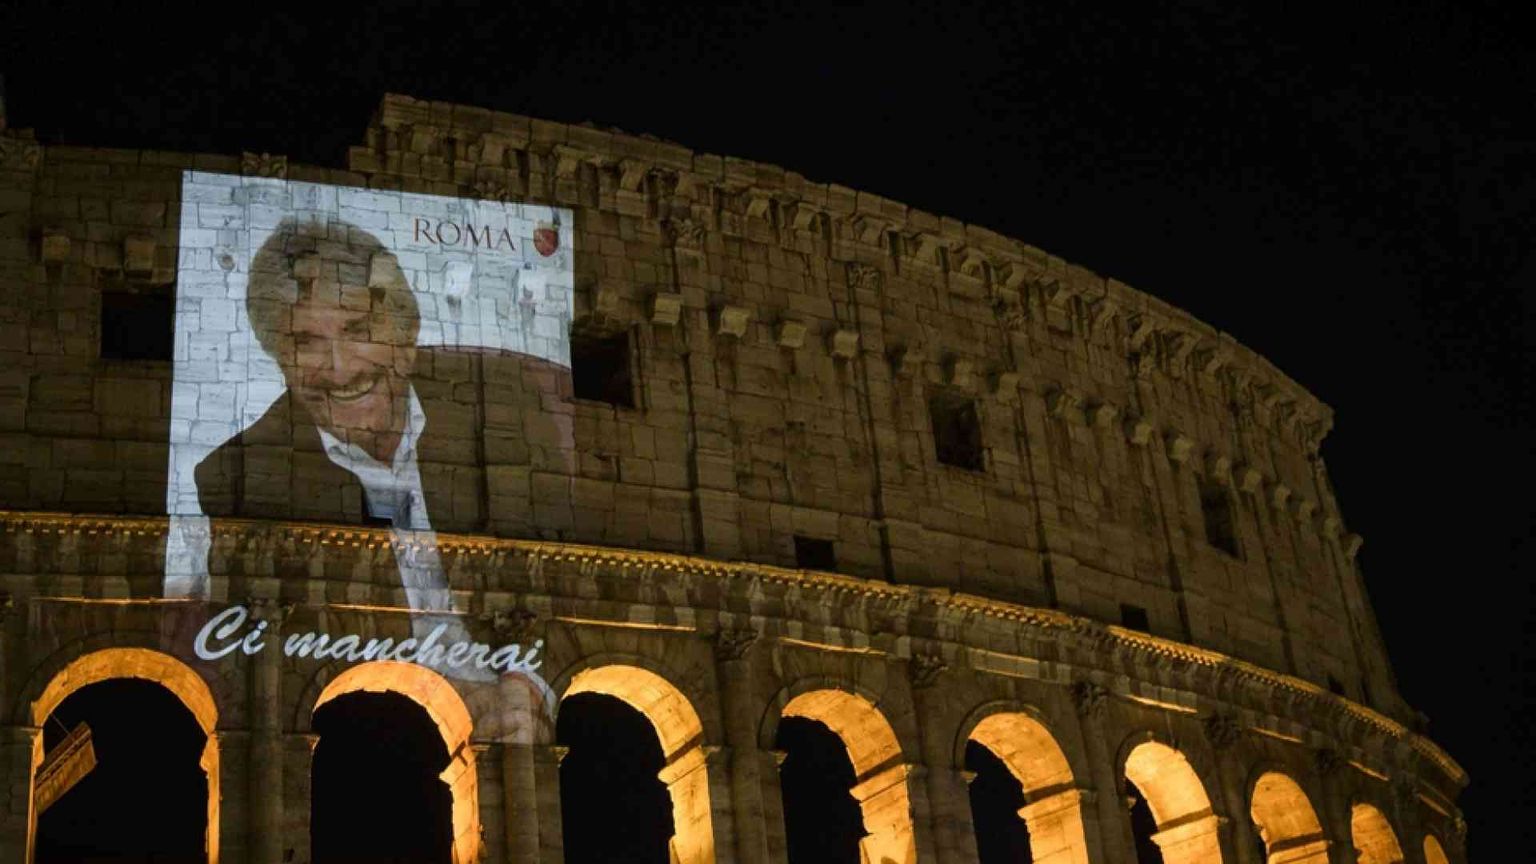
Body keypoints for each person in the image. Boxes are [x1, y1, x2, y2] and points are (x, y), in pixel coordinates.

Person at [193, 216, 563, 686]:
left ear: (406, 335)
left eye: (359, 329)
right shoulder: (223, 473)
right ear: (278, 359)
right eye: (305, 342)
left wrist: (532, 695)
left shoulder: (510, 405)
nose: (340, 368)